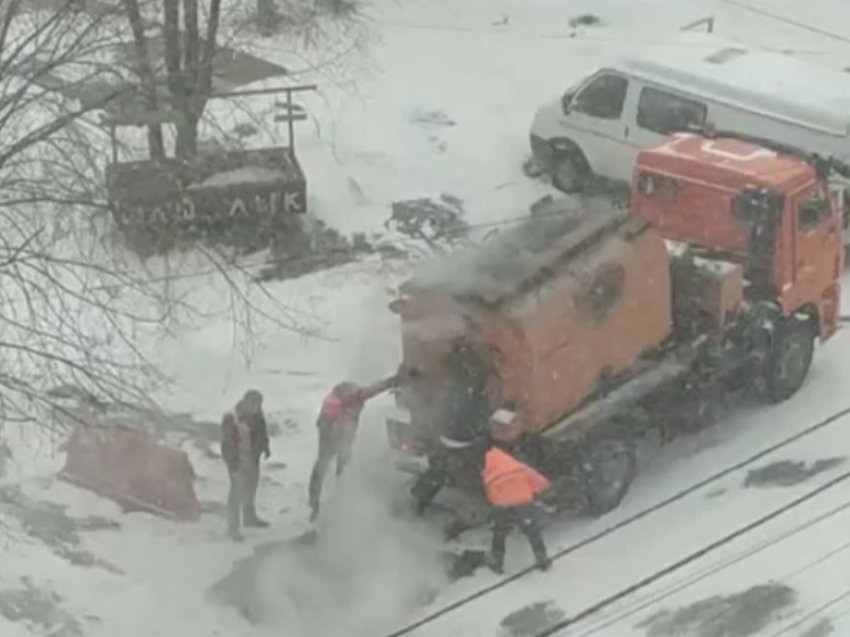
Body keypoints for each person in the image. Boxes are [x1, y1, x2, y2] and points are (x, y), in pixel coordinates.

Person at [308, 377, 396, 522]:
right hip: (331, 437)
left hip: (341, 437)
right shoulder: (336, 403)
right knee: (323, 466)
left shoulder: (345, 397)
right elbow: (326, 421)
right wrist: (333, 434)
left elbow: (375, 388)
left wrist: (393, 381)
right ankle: (316, 504)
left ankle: (331, 501)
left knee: (334, 466)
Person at [481, 411, 552, 574]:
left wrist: (495, 502)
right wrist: (541, 490)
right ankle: (542, 559)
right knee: (532, 530)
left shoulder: (489, 467)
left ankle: (497, 562)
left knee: (499, 533)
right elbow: (536, 479)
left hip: (503, 503)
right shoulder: (514, 464)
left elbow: (489, 487)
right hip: (523, 500)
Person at [220, 389, 271, 541]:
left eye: (259, 405)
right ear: (246, 403)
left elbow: (262, 432)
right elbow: (226, 443)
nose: (257, 408)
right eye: (254, 404)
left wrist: (265, 448)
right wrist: (233, 464)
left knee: (251, 487)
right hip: (237, 458)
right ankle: (233, 528)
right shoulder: (231, 417)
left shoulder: (258, 415)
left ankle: (249, 517)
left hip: (253, 457)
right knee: (237, 492)